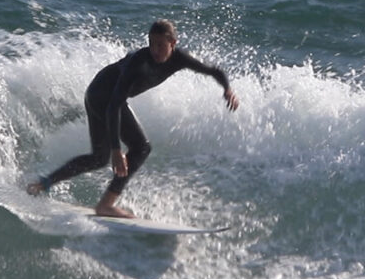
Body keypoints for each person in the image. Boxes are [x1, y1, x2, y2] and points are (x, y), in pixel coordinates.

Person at [26, 20, 239, 218]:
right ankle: (106, 205)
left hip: (98, 94)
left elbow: (213, 71)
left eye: (160, 45)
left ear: (173, 43)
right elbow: (114, 106)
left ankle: (42, 184)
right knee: (141, 148)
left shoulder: (180, 58)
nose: (155, 50)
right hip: (102, 96)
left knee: (99, 158)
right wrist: (117, 150)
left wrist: (227, 89)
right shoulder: (138, 62)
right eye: (151, 44)